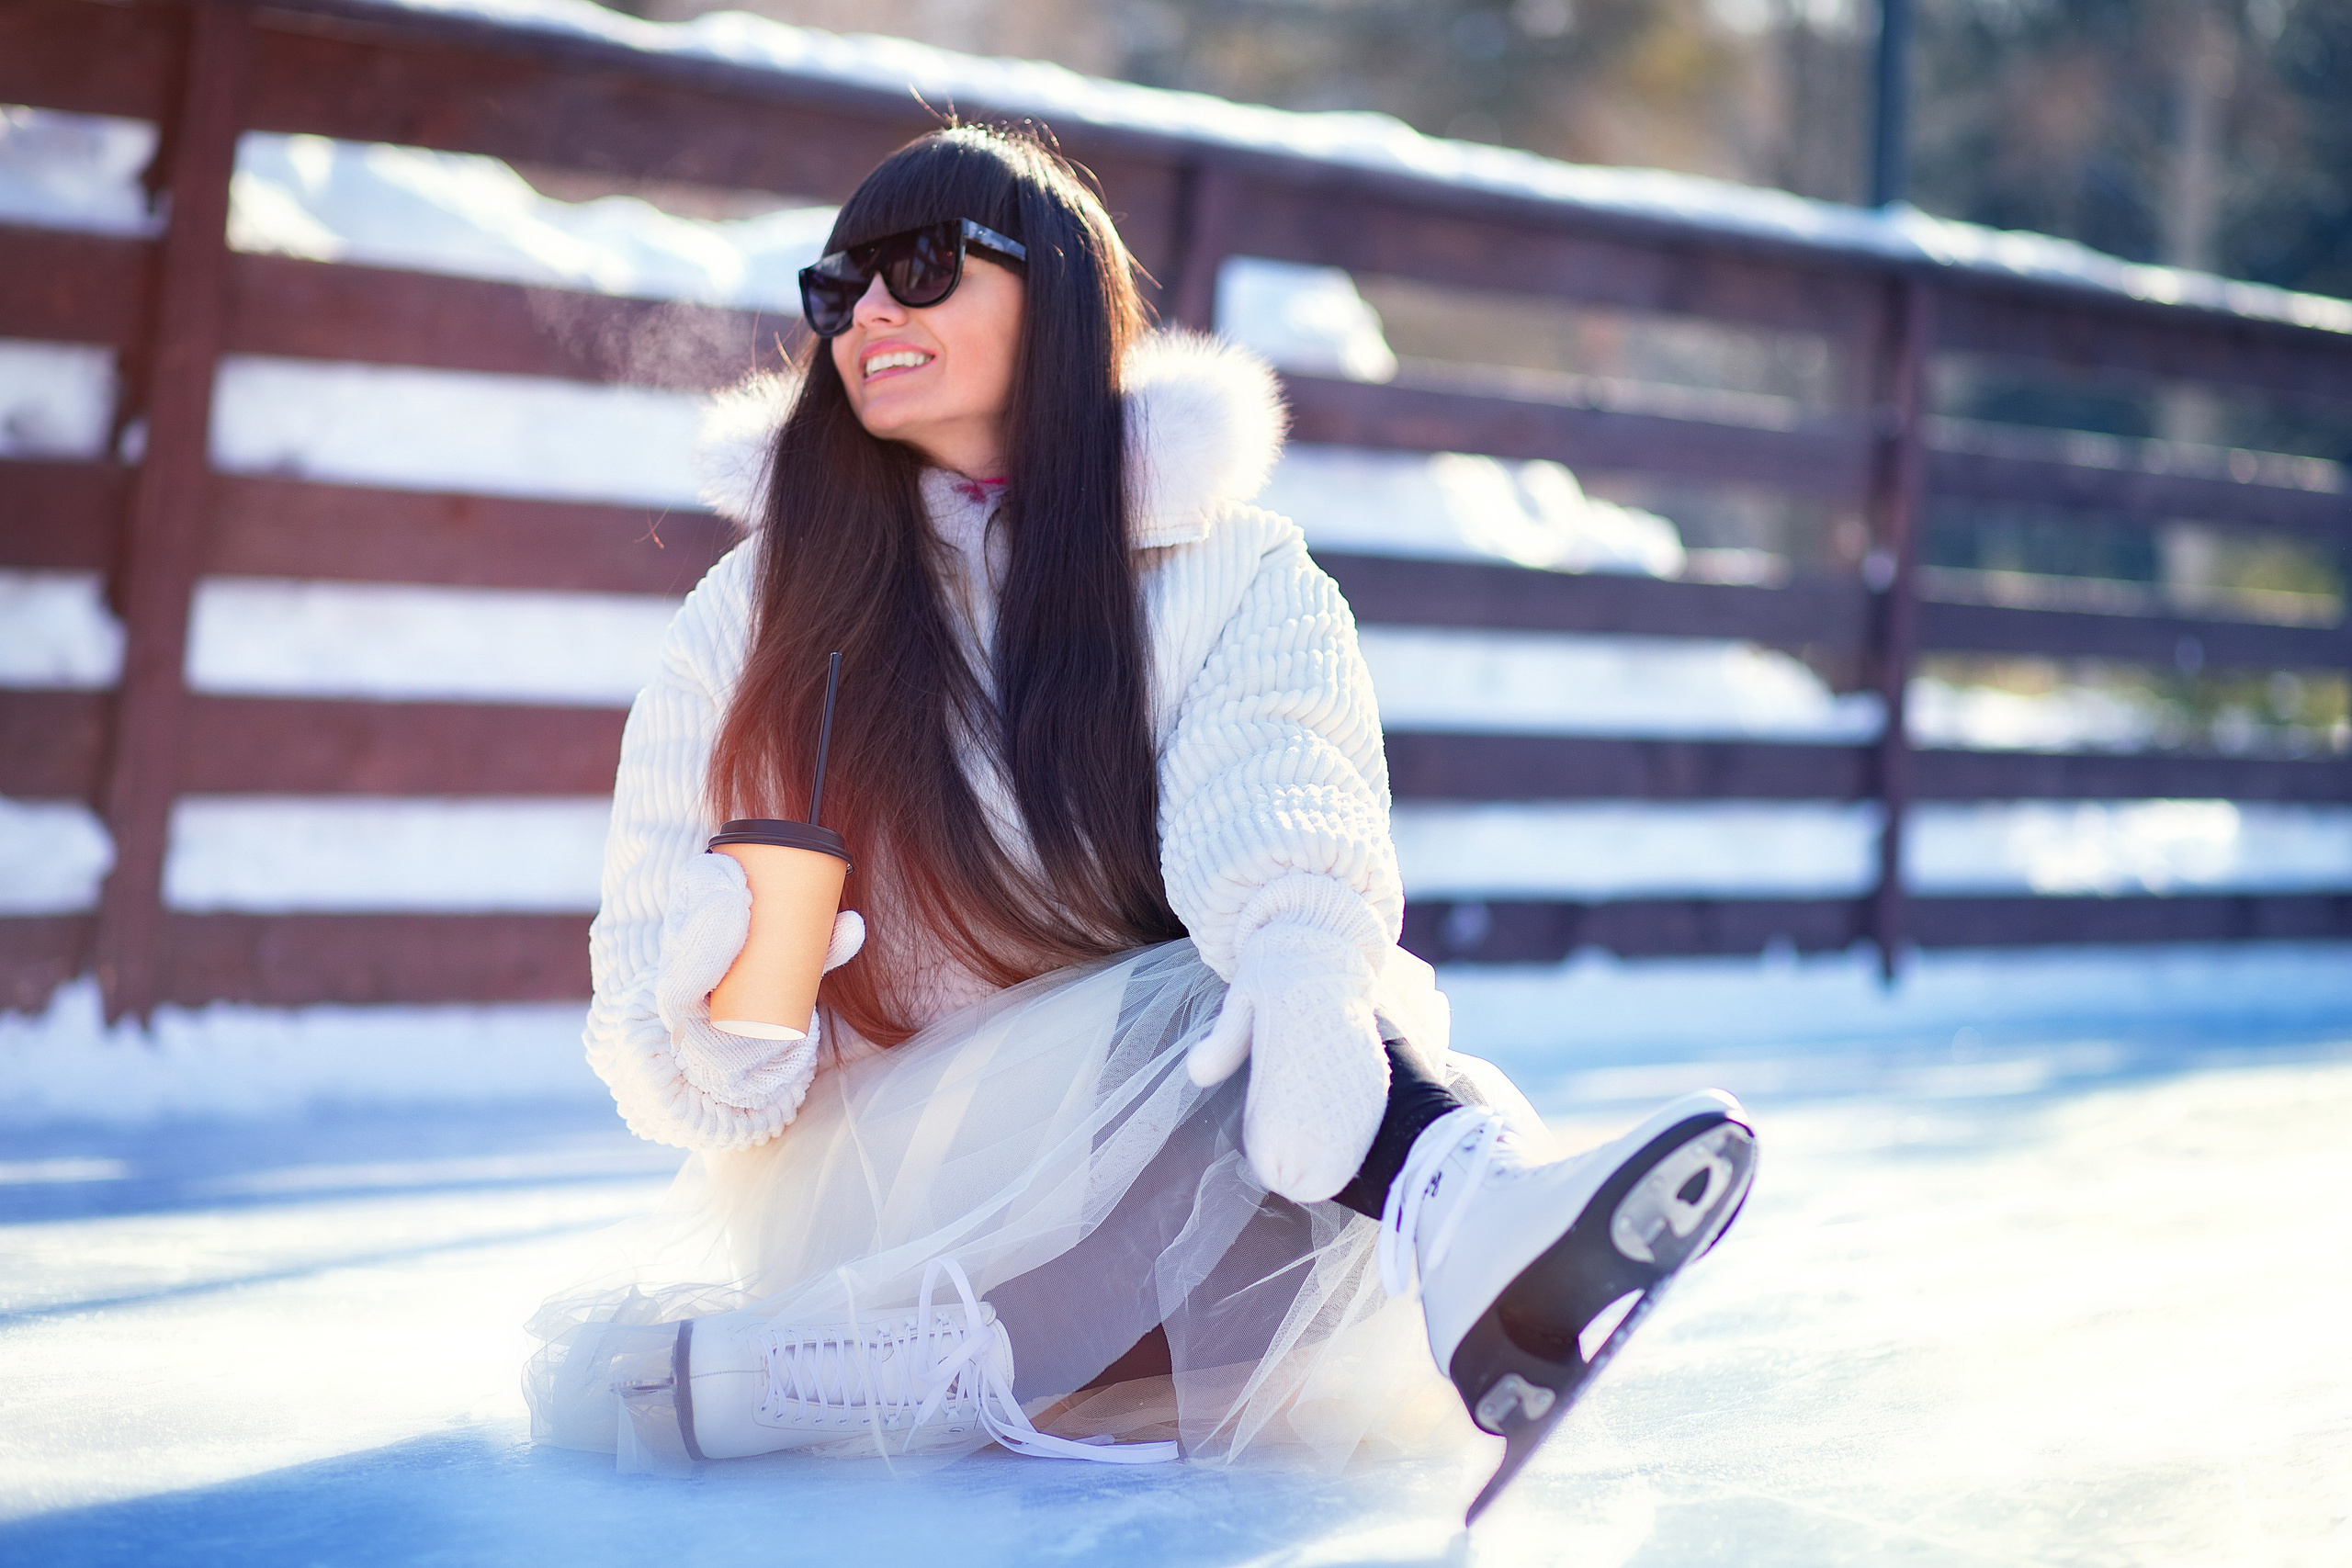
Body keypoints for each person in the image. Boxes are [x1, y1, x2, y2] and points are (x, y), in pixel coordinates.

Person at [524, 124, 1755, 1507]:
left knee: (1311, 1021)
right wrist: (720, 1034)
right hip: (877, 1190)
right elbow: (648, 1015)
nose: (870, 312)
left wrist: (1298, 959)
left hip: (1173, 1188)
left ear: (1050, 295)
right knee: (1201, 1024)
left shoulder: (1226, 569)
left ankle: (835, 1377)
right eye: (839, 289)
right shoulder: (755, 615)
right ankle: (1471, 1206)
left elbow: (1271, 777)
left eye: (921, 267)